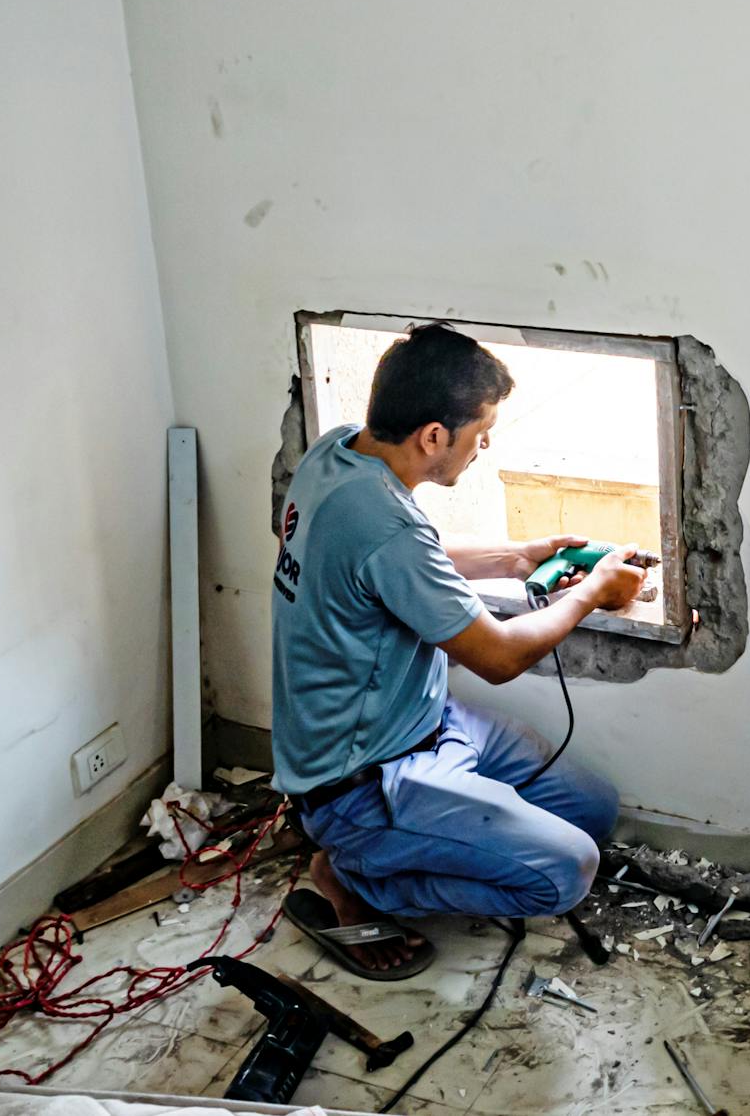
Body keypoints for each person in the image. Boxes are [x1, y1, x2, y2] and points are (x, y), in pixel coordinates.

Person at [270, 322, 646, 977]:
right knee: (567, 871)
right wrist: (593, 594)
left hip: (427, 722)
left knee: (593, 811)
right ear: (434, 436)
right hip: (364, 783)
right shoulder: (385, 522)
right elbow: (498, 658)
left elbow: (403, 559)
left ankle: (399, 846)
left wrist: (515, 557)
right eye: (481, 431)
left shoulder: (338, 453)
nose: (486, 444)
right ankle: (356, 878)